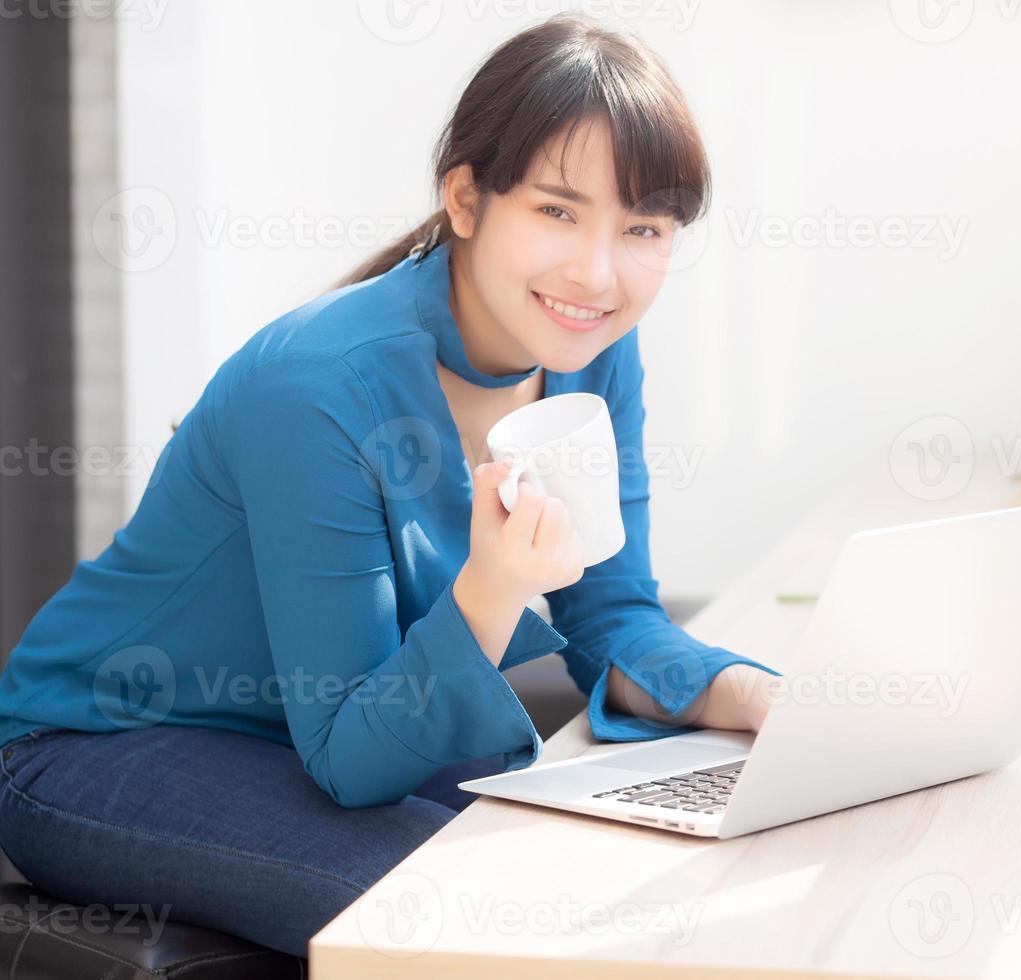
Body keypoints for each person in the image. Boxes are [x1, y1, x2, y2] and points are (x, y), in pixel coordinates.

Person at [0, 14, 782, 958]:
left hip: (317, 737)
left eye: (643, 227)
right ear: (465, 197)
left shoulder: (586, 346)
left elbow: (609, 614)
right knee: (479, 907)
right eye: (558, 210)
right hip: (99, 747)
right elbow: (350, 759)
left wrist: (759, 699)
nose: (599, 271)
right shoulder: (317, 388)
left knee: (639, 870)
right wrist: (491, 592)